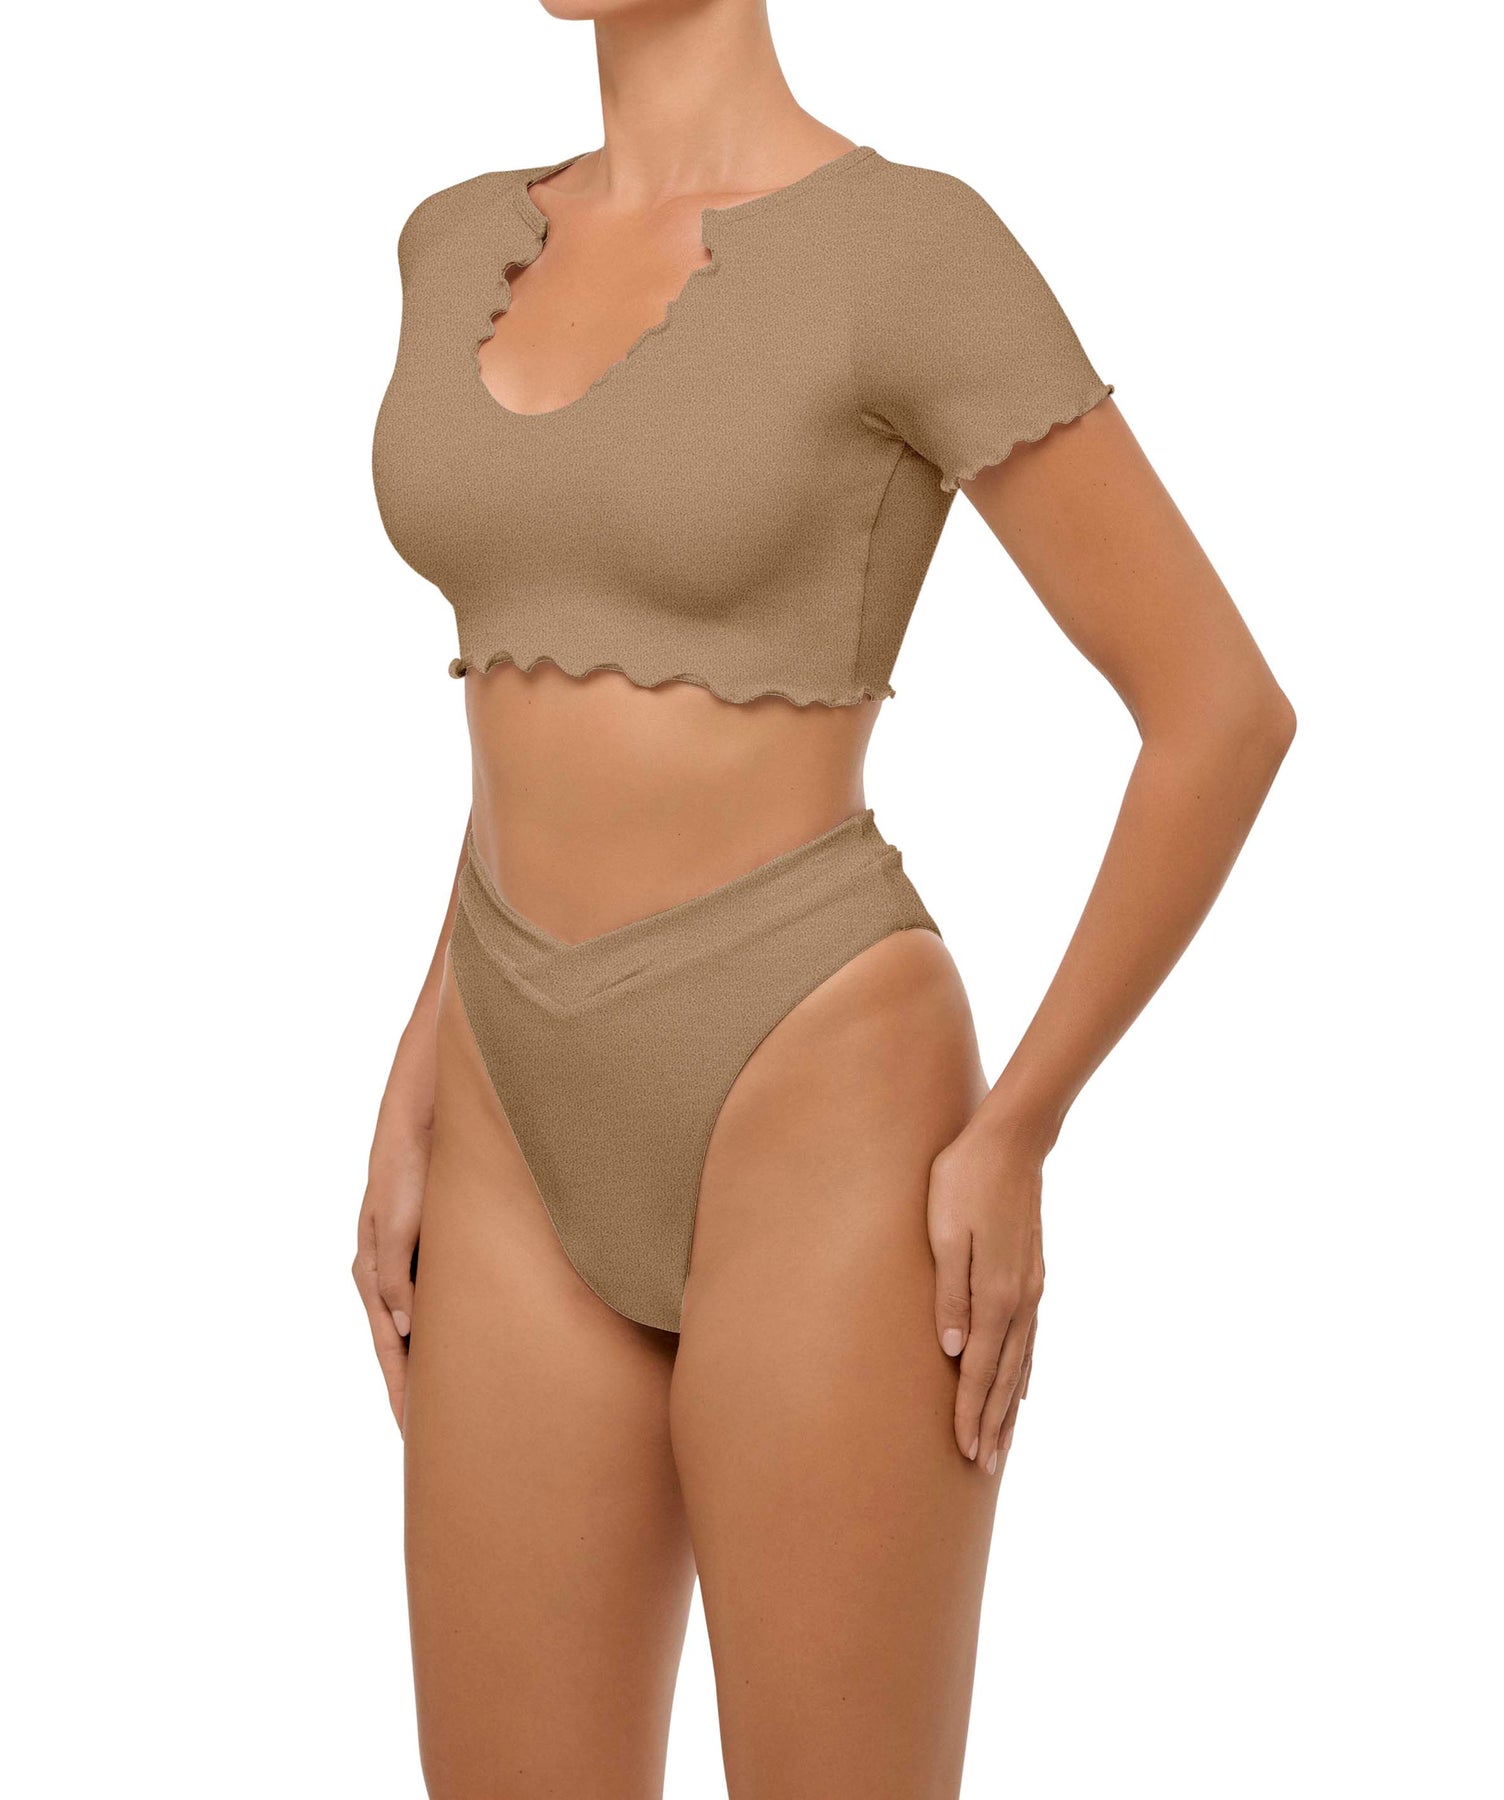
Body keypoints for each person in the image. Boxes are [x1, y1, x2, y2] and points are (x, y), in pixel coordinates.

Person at [353, 4, 1295, 1794]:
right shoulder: (452, 240)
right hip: (502, 1082)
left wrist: (1021, 1128)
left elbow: (1219, 711)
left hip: (813, 1086)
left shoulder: (908, 251)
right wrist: (422, 1051)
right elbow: (531, 693)